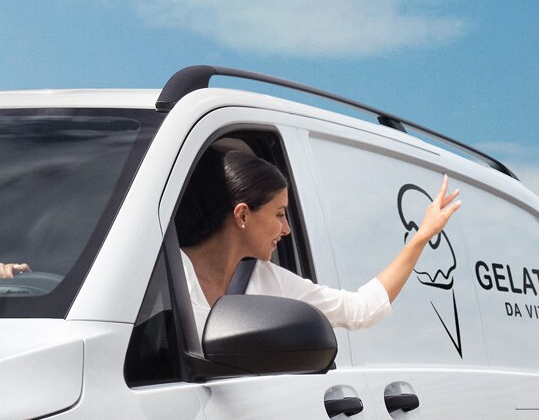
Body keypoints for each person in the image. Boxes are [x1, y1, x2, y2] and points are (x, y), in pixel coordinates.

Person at [177, 137, 460, 334]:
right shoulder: (166, 273)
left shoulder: (269, 280)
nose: (287, 228)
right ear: (242, 215)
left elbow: (361, 309)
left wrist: (422, 236)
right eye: (279, 214)